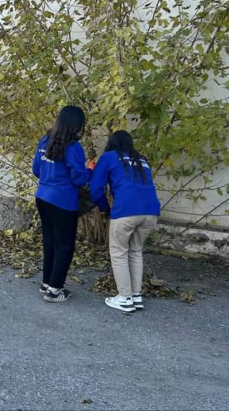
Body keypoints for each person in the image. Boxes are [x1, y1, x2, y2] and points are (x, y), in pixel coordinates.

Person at [90, 130, 161, 313]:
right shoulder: (142, 159)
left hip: (126, 211)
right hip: (151, 212)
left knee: (119, 252)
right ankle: (136, 296)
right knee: (136, 251)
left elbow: (95, 188)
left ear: (112, 143)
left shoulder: (109, 157)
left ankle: (124, 298)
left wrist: (104, 207)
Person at [31, 105, 91, 303]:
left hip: (43, 197)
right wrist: (90, 170)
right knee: (64, 245)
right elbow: (79, 179)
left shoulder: (44, 140)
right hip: (63, 201)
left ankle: (47, 283)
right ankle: (55, 290)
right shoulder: (73, 147)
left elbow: (36, 170)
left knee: (50, 241)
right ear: (77, 125)